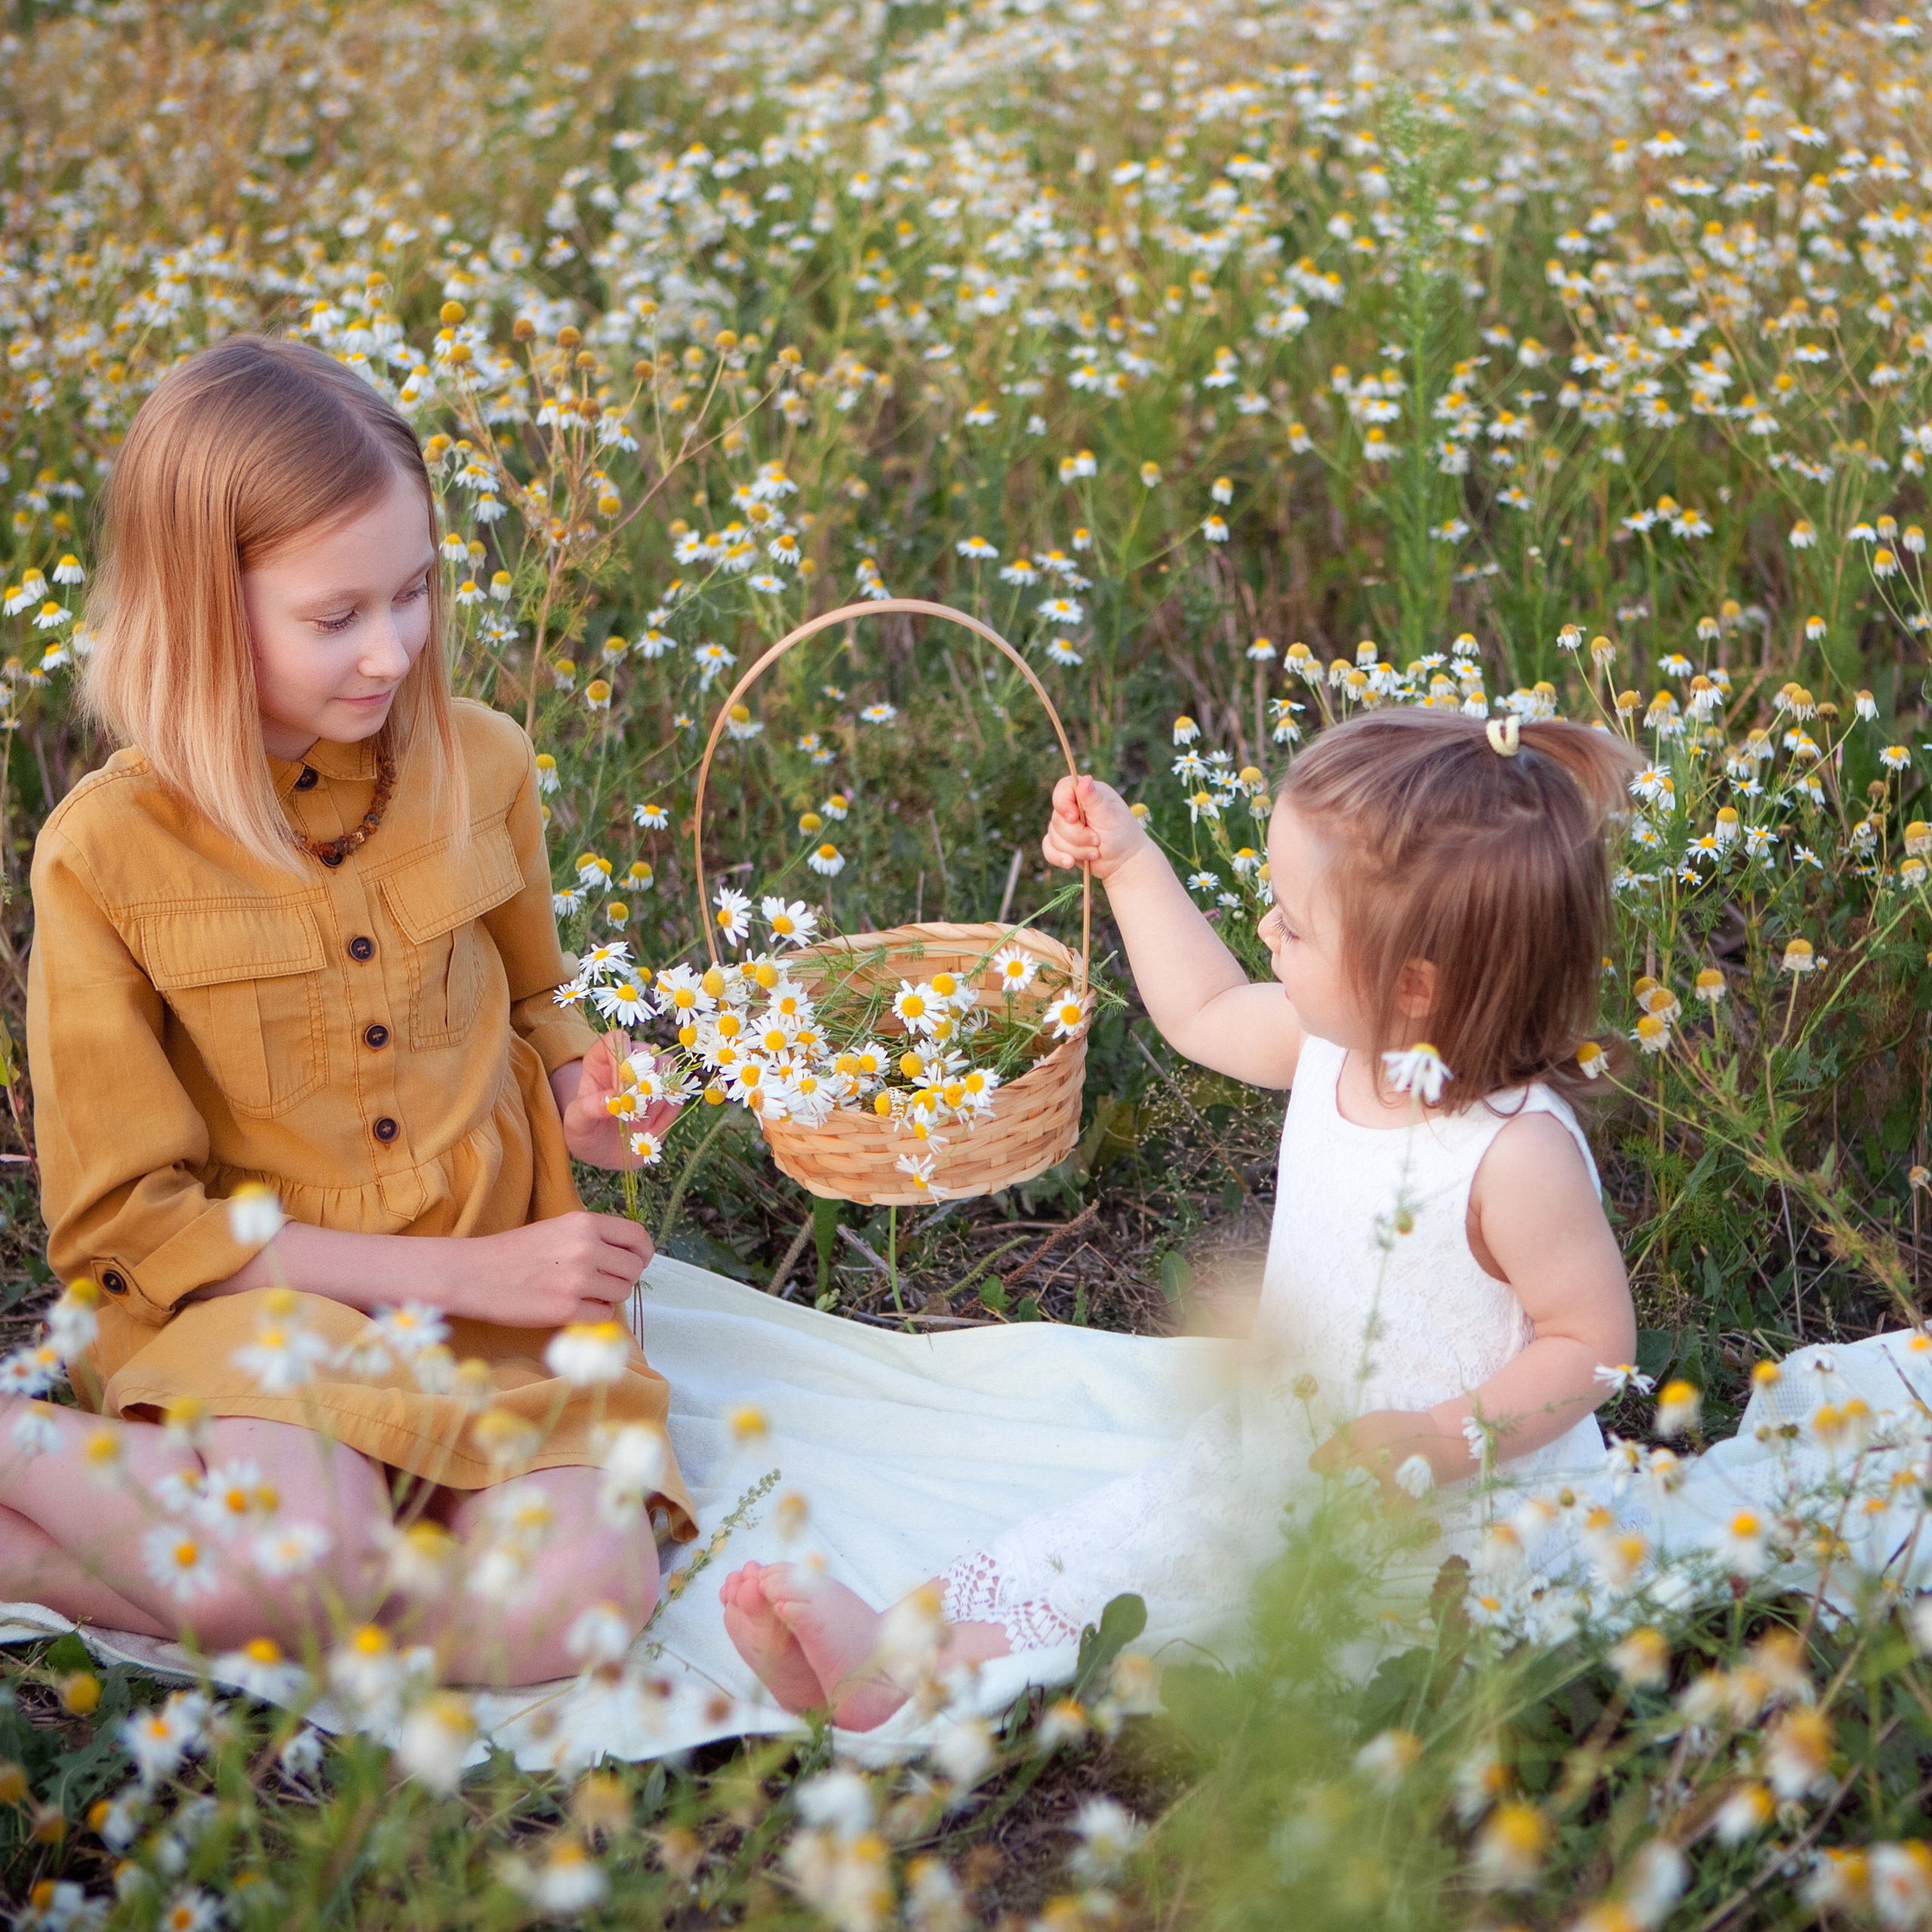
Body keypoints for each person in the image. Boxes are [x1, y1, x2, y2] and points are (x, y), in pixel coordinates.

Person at [719, 708, 1644, 1727]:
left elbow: (1591, 1344)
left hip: (1454, 1509)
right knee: (1123, 1541)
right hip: (1292, 1447)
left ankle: (907, 1672)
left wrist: (1437, 1435)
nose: (1265, 932)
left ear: (1412, 987)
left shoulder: (1512, 1156)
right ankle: (903, 1645)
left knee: (1228, 1601)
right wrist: (1130, 863)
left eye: (1292, 924)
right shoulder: (1337, 1043)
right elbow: (1203, 1009)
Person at [3, 336, 693, 1686]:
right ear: (204, 611)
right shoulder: (107, 853)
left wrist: (582, 1088)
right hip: (271, 1315)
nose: (391, 652)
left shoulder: (478, 764)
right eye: (335, 618)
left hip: (501, 1320)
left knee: (569, 1616)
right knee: (297, 1561)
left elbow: (540, 996)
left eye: (416, 593)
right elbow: (127, 1225)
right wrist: (459, 1276)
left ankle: (51, 1555)